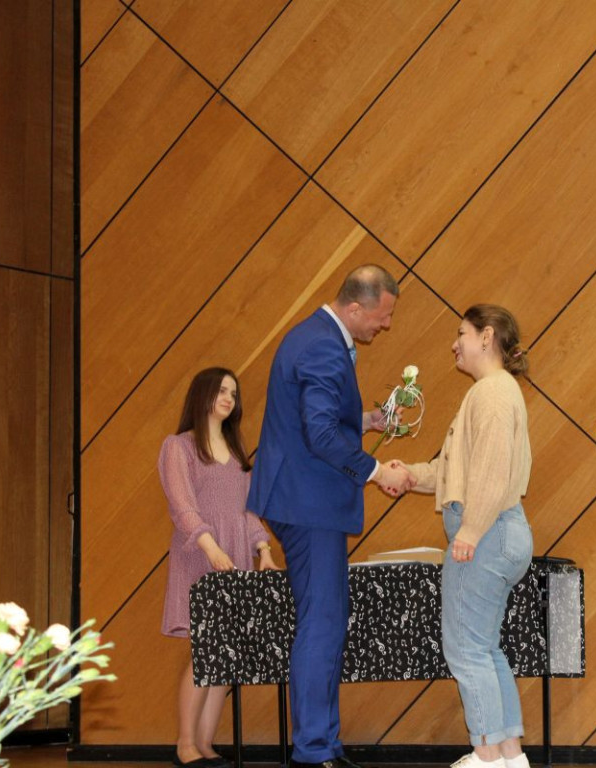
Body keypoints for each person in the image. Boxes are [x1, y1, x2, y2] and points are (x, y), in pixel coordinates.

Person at [247, 264, 413, 768]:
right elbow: (318, 436)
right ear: (356, 306)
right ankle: (314, 750)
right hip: (309, 503)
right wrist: (375, 468)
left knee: (328, 621)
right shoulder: (322, 344)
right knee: (321, 624)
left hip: (304, 499)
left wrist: (364, 420)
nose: (383, 327)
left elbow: (315, 421)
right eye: (382, 317)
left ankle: (323, 744)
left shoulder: (317, 337)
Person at [394, 304, 533, 768]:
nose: (454, 343)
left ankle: (486, 755)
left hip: (487, 530)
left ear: (486, 336)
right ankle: (509, 757)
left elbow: (491, 472)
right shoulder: (493, 392)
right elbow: (456, 471)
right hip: (502, 530)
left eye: (461, 333)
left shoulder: (492, 392)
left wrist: (469, 532)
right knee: (484, 648)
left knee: (465, 648)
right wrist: (409, 474)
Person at [158, 367, 279, 768]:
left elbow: (246, 513)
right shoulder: (179, 447)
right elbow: (183, 506)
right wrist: (210, 548)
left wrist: (262, 550)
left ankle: (206, 746)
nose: (229, 397)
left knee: (223, 657)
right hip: (200, 558)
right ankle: (185, 745)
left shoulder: (236, 458)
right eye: (222, 390)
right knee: (204, 652)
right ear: (203, 394)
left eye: (233, 392)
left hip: (235, 563)